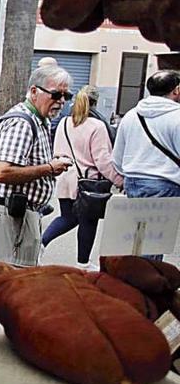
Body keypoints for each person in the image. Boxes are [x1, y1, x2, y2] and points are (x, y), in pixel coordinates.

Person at [0, 65, 73, 267]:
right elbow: (2, 172)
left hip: (23, 210)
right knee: (16, 276)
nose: (61, 101)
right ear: (34, 91)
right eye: (56, 94)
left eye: (66, 95)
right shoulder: (22, 123)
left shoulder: (40, 120)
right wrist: (50, 168)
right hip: (12, 211)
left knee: (22, 273)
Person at [42, 86, 123, 270]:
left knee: (68, 217)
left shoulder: (64, 122)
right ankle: (83, 262)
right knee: (88, 222)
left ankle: (41, 243)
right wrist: (119, 180)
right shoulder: (97, 126)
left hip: (65, 177)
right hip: (88, 182)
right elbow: (102, 160)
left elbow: (57, 150)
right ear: (95, 102)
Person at [113, 70, 180, 260]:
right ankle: (144, 287)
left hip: (133, 181)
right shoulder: (177, 117)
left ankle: (131, 283)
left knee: (135, 240)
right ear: (176, 90)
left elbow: (117, 156)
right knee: (153, 244)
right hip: (165, 184)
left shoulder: (132, 115)